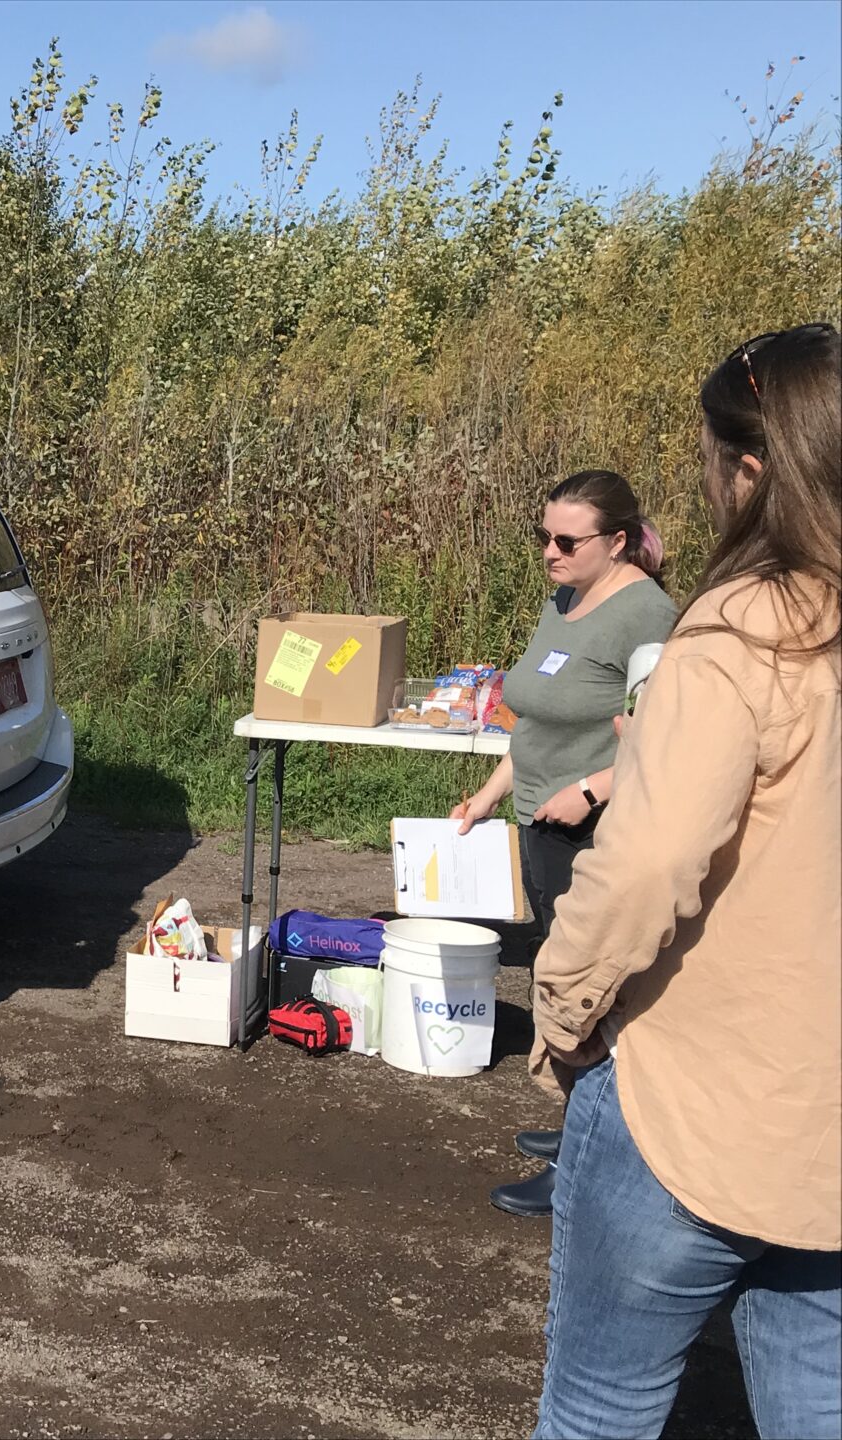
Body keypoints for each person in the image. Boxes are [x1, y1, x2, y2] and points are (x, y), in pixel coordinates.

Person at [527, 322, 840, 1439]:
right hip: (825, 1131)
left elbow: (653, 860)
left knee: (599, 1410)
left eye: (711, 458)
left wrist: (565, 1010)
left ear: (750, 469)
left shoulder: (743, 632)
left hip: (693, 1107)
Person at [452, 469, 675, 1217]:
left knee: (590, 993)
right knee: (556, 974)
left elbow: (667, 735)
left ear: (616, 543)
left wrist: (589, 792)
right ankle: (577, 1122)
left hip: (595, 834)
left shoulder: (648, 616)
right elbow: (540, 718)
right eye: (542, 536)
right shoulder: (564, 601)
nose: (549, 551)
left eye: (566, 540)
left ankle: (585, 1164)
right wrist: (488, 797)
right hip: (537, 826)